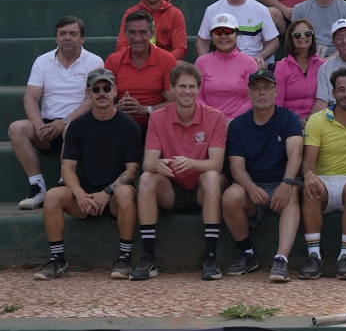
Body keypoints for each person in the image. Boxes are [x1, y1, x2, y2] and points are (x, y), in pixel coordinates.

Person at [35, 69, 142, 281]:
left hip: (113, 197)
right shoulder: (77, 126)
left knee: (126, 193)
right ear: (88, 93)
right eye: (96, 89)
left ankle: (124, 258)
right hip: (84, 197)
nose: (101, 93)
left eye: (106, 88)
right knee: (53, 196)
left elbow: (132, 170)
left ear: (115, 91)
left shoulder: (129, 126)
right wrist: (80, 194)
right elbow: (67, 168)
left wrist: (108, 191)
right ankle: (58, 261)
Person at [135, 61, 227, 282]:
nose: (187, 91)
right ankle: (148, 258)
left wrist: (192, 163)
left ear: (199, 88)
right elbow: (148, 162)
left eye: (192, 86)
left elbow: (216, 164)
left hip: (201, 192)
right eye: (182, 86)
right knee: (147, 178)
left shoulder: (215, 117)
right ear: (173, 89)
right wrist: (159, 164)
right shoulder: (157, 117)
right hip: (171, 191)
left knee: (212, 177)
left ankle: (211, 257)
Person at [10, 16, 103, 210]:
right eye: (62, 34)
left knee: (71, 127)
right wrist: (39, 126)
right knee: (17, 128)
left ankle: (65, 183)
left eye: (73, 34)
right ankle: (37, 187)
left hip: (79, 126)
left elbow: (91, 99)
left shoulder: (94, 61)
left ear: (82, 38)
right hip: (47, 126)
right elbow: (30, 98)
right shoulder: (43, 61)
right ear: (56, 38)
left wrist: (65, 121)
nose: (67, 38)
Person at [222, 69, 303, 282]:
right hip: (253, 187)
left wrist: (286, 183)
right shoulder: (238, 125)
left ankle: (281, 259)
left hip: (281, 182)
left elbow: (295, 154)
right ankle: (247, 253)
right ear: (248, 93)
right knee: (231, 196)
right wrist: (250, 188)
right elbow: (236, 167)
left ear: (276, 91)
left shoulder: (289, 118)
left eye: (266, 88)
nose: (261, 93)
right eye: (256, 88)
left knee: (293, 191)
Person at [301, 67, 346, 280]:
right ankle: (314, 257)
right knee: (310, 188)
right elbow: (308, 164)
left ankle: (345, 258)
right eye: (341, 89)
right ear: (333, 93)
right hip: (325, 182)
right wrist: (310, 175)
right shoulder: (317, 120)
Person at [196, 0, 280, 70]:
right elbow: (202, 41)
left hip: (250, 62)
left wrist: (260, 56)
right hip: (221, 62)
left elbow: (274, 42)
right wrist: (205, 60)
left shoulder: (260, 10)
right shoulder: (212, 9)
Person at [105, 9, 176, 136]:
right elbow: (106, 100)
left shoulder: (166, 59)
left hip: (155, 122)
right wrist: (117, 108)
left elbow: (174, 102)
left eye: (143, 32)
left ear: (152, 33)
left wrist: (145, 109)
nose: (137, 38)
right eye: (132, 32)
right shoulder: (113, 60)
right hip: (120, 123)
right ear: (125, 34)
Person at [195, 12, 258, 121]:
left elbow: (251, 99)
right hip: (208, 120)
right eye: (218, 32)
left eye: (228, 32)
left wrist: (231, 120)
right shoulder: (201, 62)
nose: (223, 36)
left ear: (236, 35)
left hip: (240, 122)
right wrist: (215, 118)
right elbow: (197, 97)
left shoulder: (249, 63)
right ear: (212, 36)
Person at [115, 0, 187, 60]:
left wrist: (162, 62)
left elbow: (180, 49)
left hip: (165, 64)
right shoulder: (131, 13)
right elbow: (122, 46)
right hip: (136, 62)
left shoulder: (175, 14)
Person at [275, 19, 324, 123]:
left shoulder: (321, 65)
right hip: (288, 122)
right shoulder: (281, 67)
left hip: (315, 122)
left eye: (307, 33)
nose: (303, 37)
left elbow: (323, 101)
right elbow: (277, 104)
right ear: (291, 39)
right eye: (297, 35)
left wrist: (310, 121)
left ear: (312, 36)